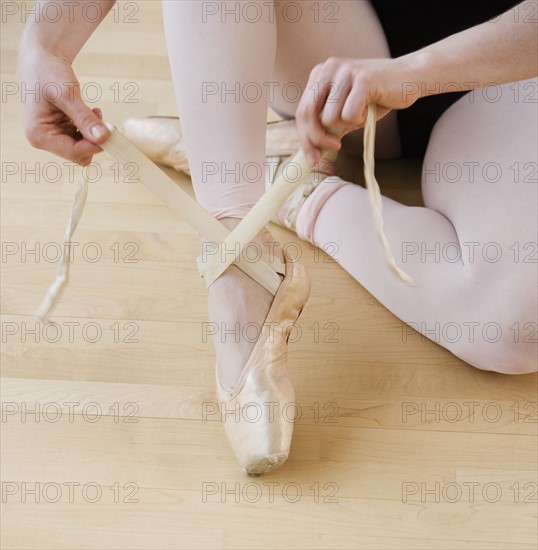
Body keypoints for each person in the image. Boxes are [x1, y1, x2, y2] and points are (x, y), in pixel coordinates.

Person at [18, 0, 537, 475]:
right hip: (343, 44)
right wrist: (45, 44)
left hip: (513, 81)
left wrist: (415, 74)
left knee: (509, 325)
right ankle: (236, 244)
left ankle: (292, 188)